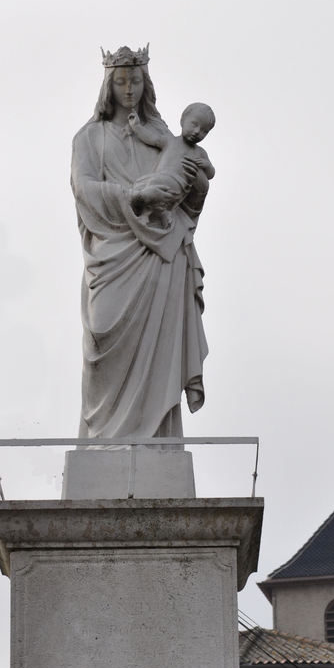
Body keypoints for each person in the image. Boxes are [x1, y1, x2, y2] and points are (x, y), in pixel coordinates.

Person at [70, 45, 210, 440]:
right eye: (120, 81)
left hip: (160, 256)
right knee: (100, 341)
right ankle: (100, 442)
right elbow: (84, 189)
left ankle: (157, 440)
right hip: (113, 255)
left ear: (145, 84)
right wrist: (130, 197)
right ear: (108, 85)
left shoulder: (163, 136)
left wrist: (195, 181)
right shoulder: (89, 138)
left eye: (135, 80)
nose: (128, 88)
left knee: (159, 353)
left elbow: (191, 192)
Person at [127, 102, 216, 228]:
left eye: (204, 131)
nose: (197, 131)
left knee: (151, 192)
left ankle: (158, 211)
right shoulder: (170, 141)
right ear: (183, 120)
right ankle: (151, 214)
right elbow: (151, 138)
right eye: (194, 124)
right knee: (145, 188)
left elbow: (211, 174)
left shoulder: (200, 153)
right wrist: (136, 126)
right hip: (160, 178)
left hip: (178, 185)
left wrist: (206, 166)